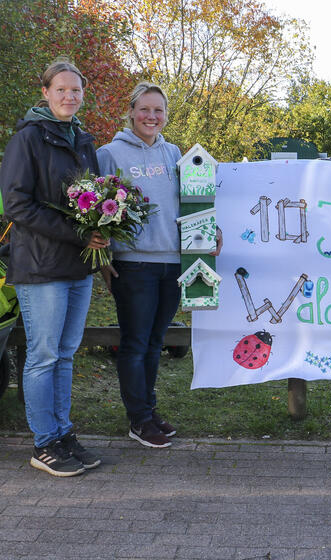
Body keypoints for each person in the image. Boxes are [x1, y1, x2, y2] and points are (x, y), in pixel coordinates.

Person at [97, 82, 221, 448]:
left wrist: (212, 232)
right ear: (131, 111)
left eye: (159, 110)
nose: (152, 116)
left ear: (166, 115)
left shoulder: (175, 154)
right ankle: (137, 419)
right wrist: (104, 260)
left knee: (155, 343)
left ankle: (149, 411)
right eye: (145, 109)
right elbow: (95, 213)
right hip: (133, 264)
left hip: (172, 262)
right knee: (135, 343)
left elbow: (190, 202)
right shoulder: (109, 154)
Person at [0, 58, 109, 476]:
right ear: (45, 93)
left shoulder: (82, 140)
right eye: (61, 89)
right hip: (41, 268)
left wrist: (103, 231)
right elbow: (17, 205)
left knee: (65, 355)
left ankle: (63, 433)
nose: (69, 96)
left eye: (76, 90)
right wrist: (80, 234)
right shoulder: (27, 139)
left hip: (78, 267)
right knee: (43, 357)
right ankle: (44, 442)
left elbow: (96, 199)